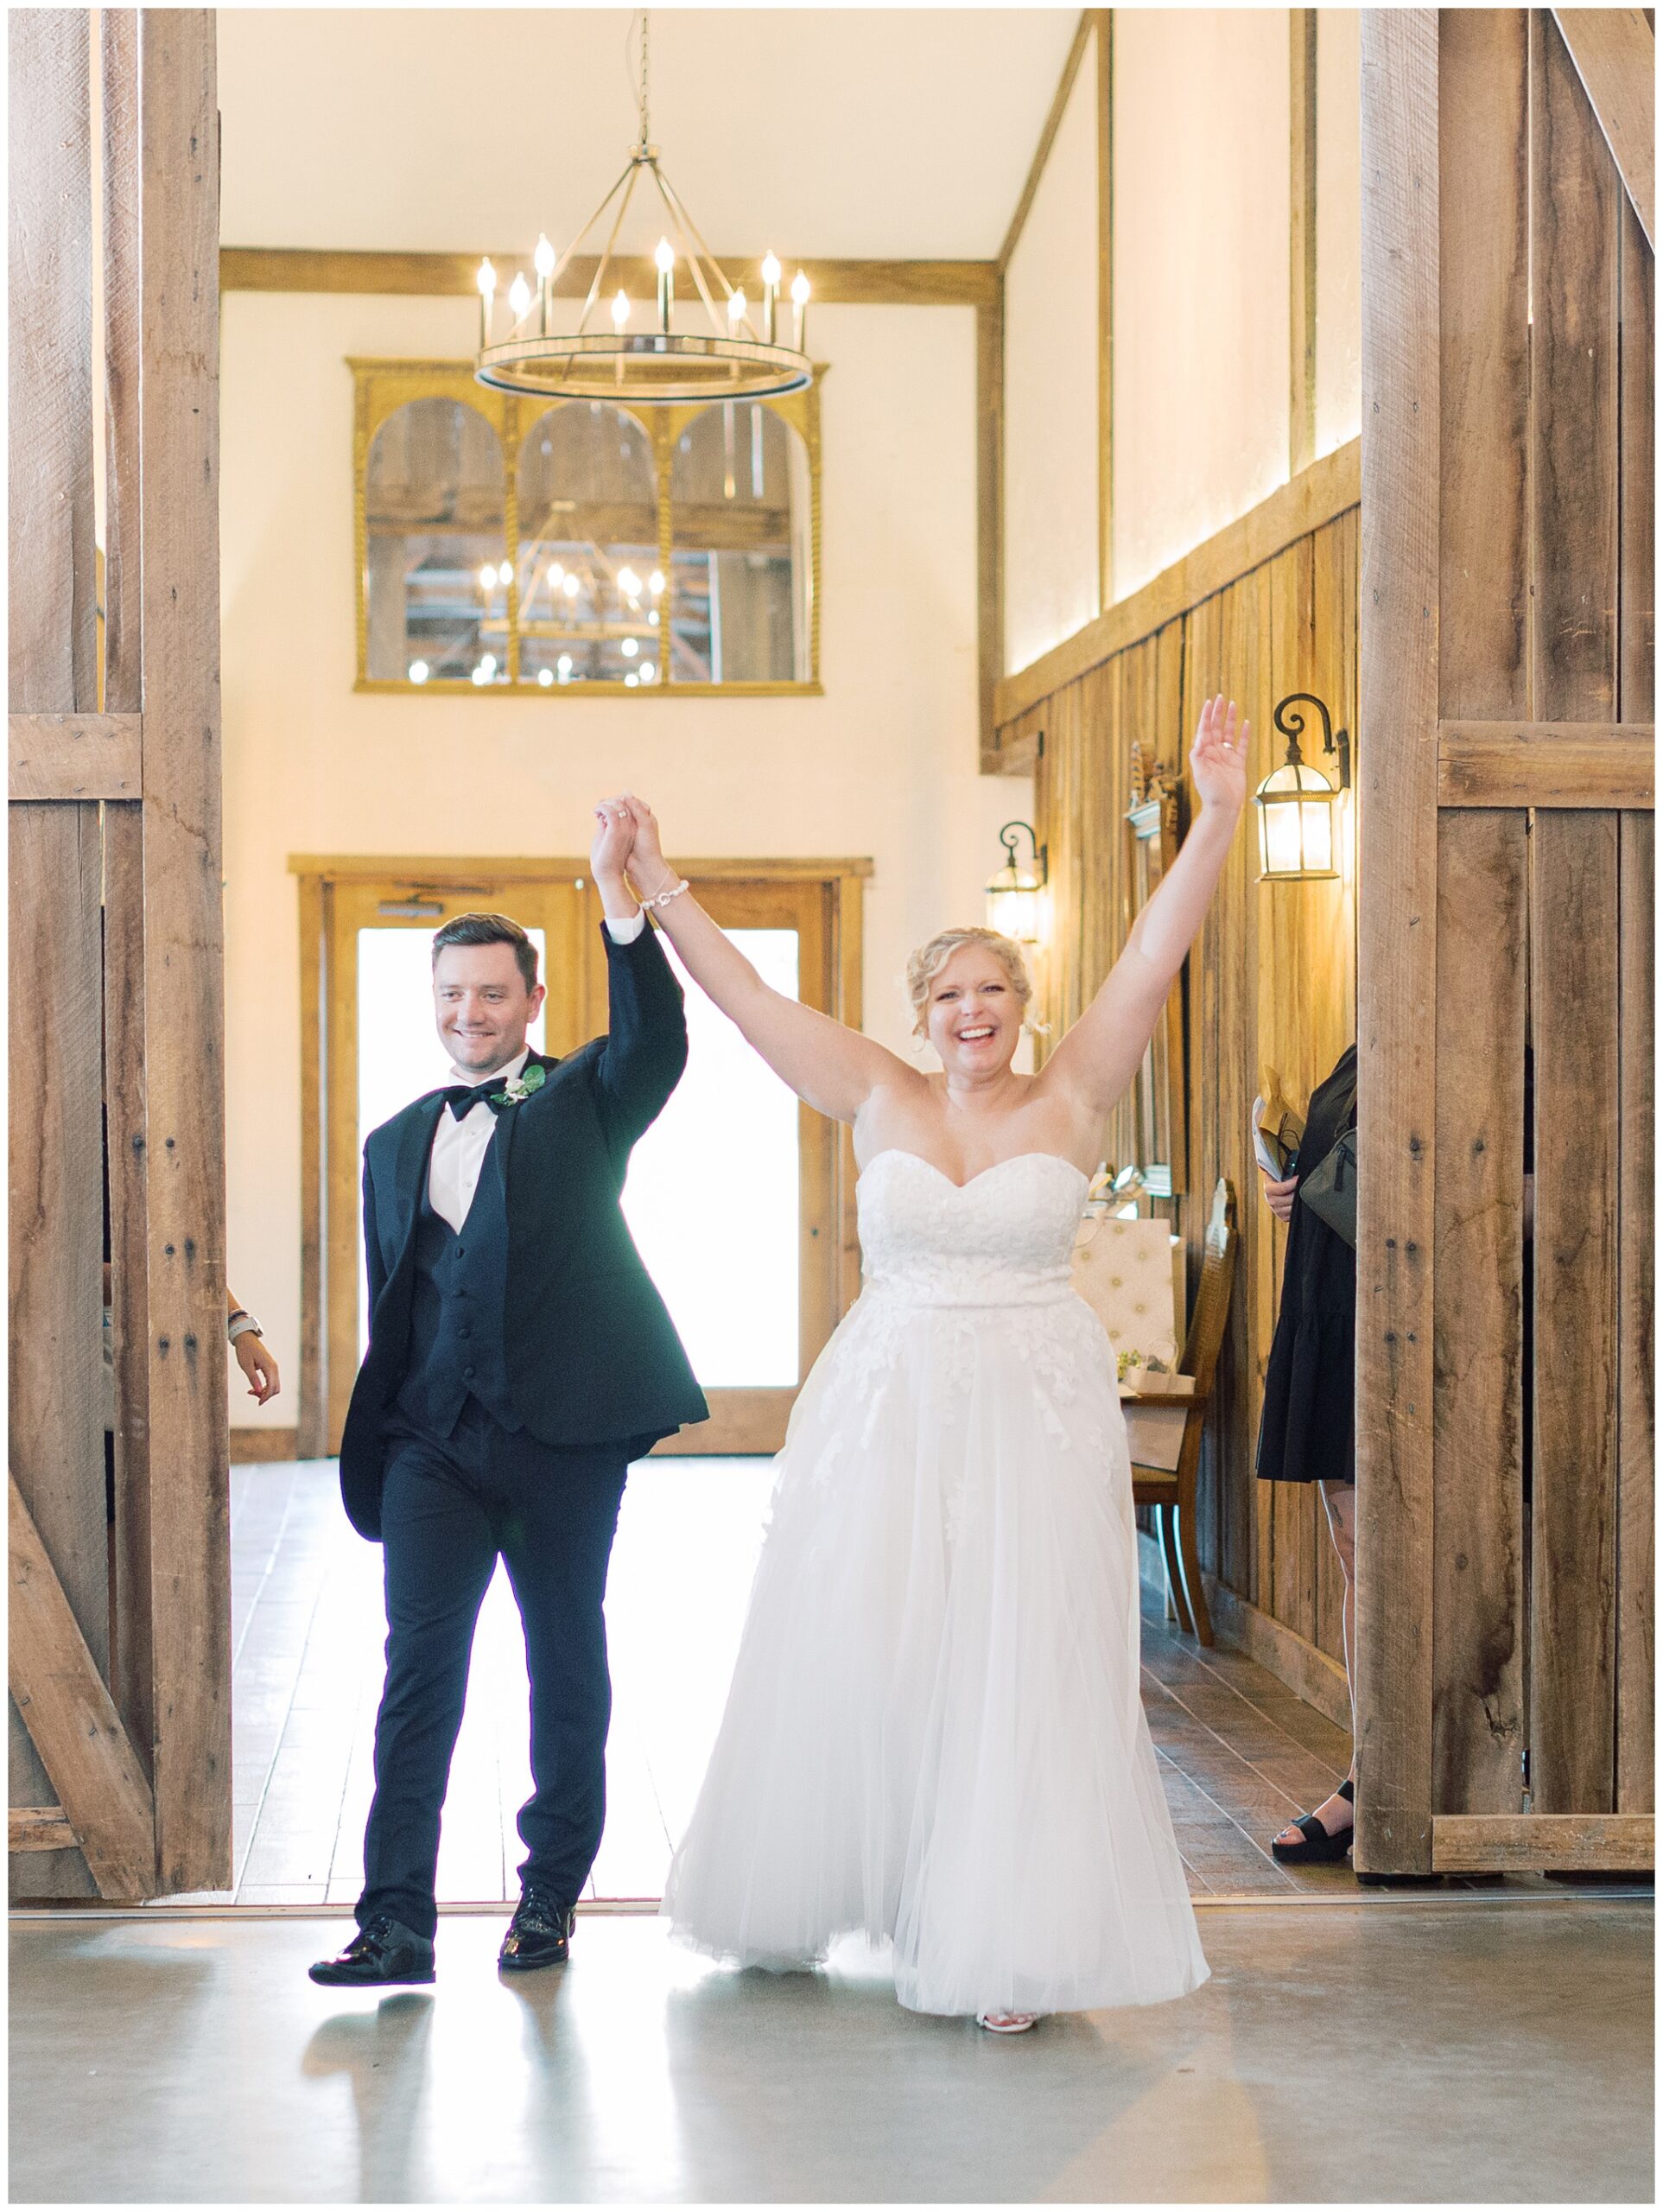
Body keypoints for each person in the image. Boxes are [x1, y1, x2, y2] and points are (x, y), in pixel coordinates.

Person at [623, 693, 1248, 2032]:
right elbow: (743, 1001)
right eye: (952, 994)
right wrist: (657, 882)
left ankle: (1004, 1934)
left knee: (1019, 1655)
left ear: (1027, 1007)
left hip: (1034, 1409)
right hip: (890, 1402)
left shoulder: (1073, 1092)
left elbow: (1156, 946)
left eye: (997, 991)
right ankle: (877, 1882)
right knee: (881, 1641)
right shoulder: (871, 1089)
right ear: (921, 1012)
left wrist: (1221, 812)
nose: (976, 1012)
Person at [309, 807, 708, 1990]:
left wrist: (621, 904)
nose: (469, 1015)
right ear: (431, 1004)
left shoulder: (586, 1100)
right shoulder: (393, 1141)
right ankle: (394, 1926)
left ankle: (547, 1901)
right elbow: (411, 1297)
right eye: (450, 997)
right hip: (429, 1443)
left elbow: (660, 1042)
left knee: (562, 1662)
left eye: (492, 995)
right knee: (416, 1676)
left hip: (561, 1448)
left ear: (531, 1001)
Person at [1255, 1042, 1358, 1863]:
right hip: (1331, 1306)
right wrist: (1300, 1187)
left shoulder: (1504, 1032)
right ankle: (1377, 1773)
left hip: (1401, 1318)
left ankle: (1399, 1779)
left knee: (1397, 1563)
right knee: (1359, 1555)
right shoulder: (1363, 1046)